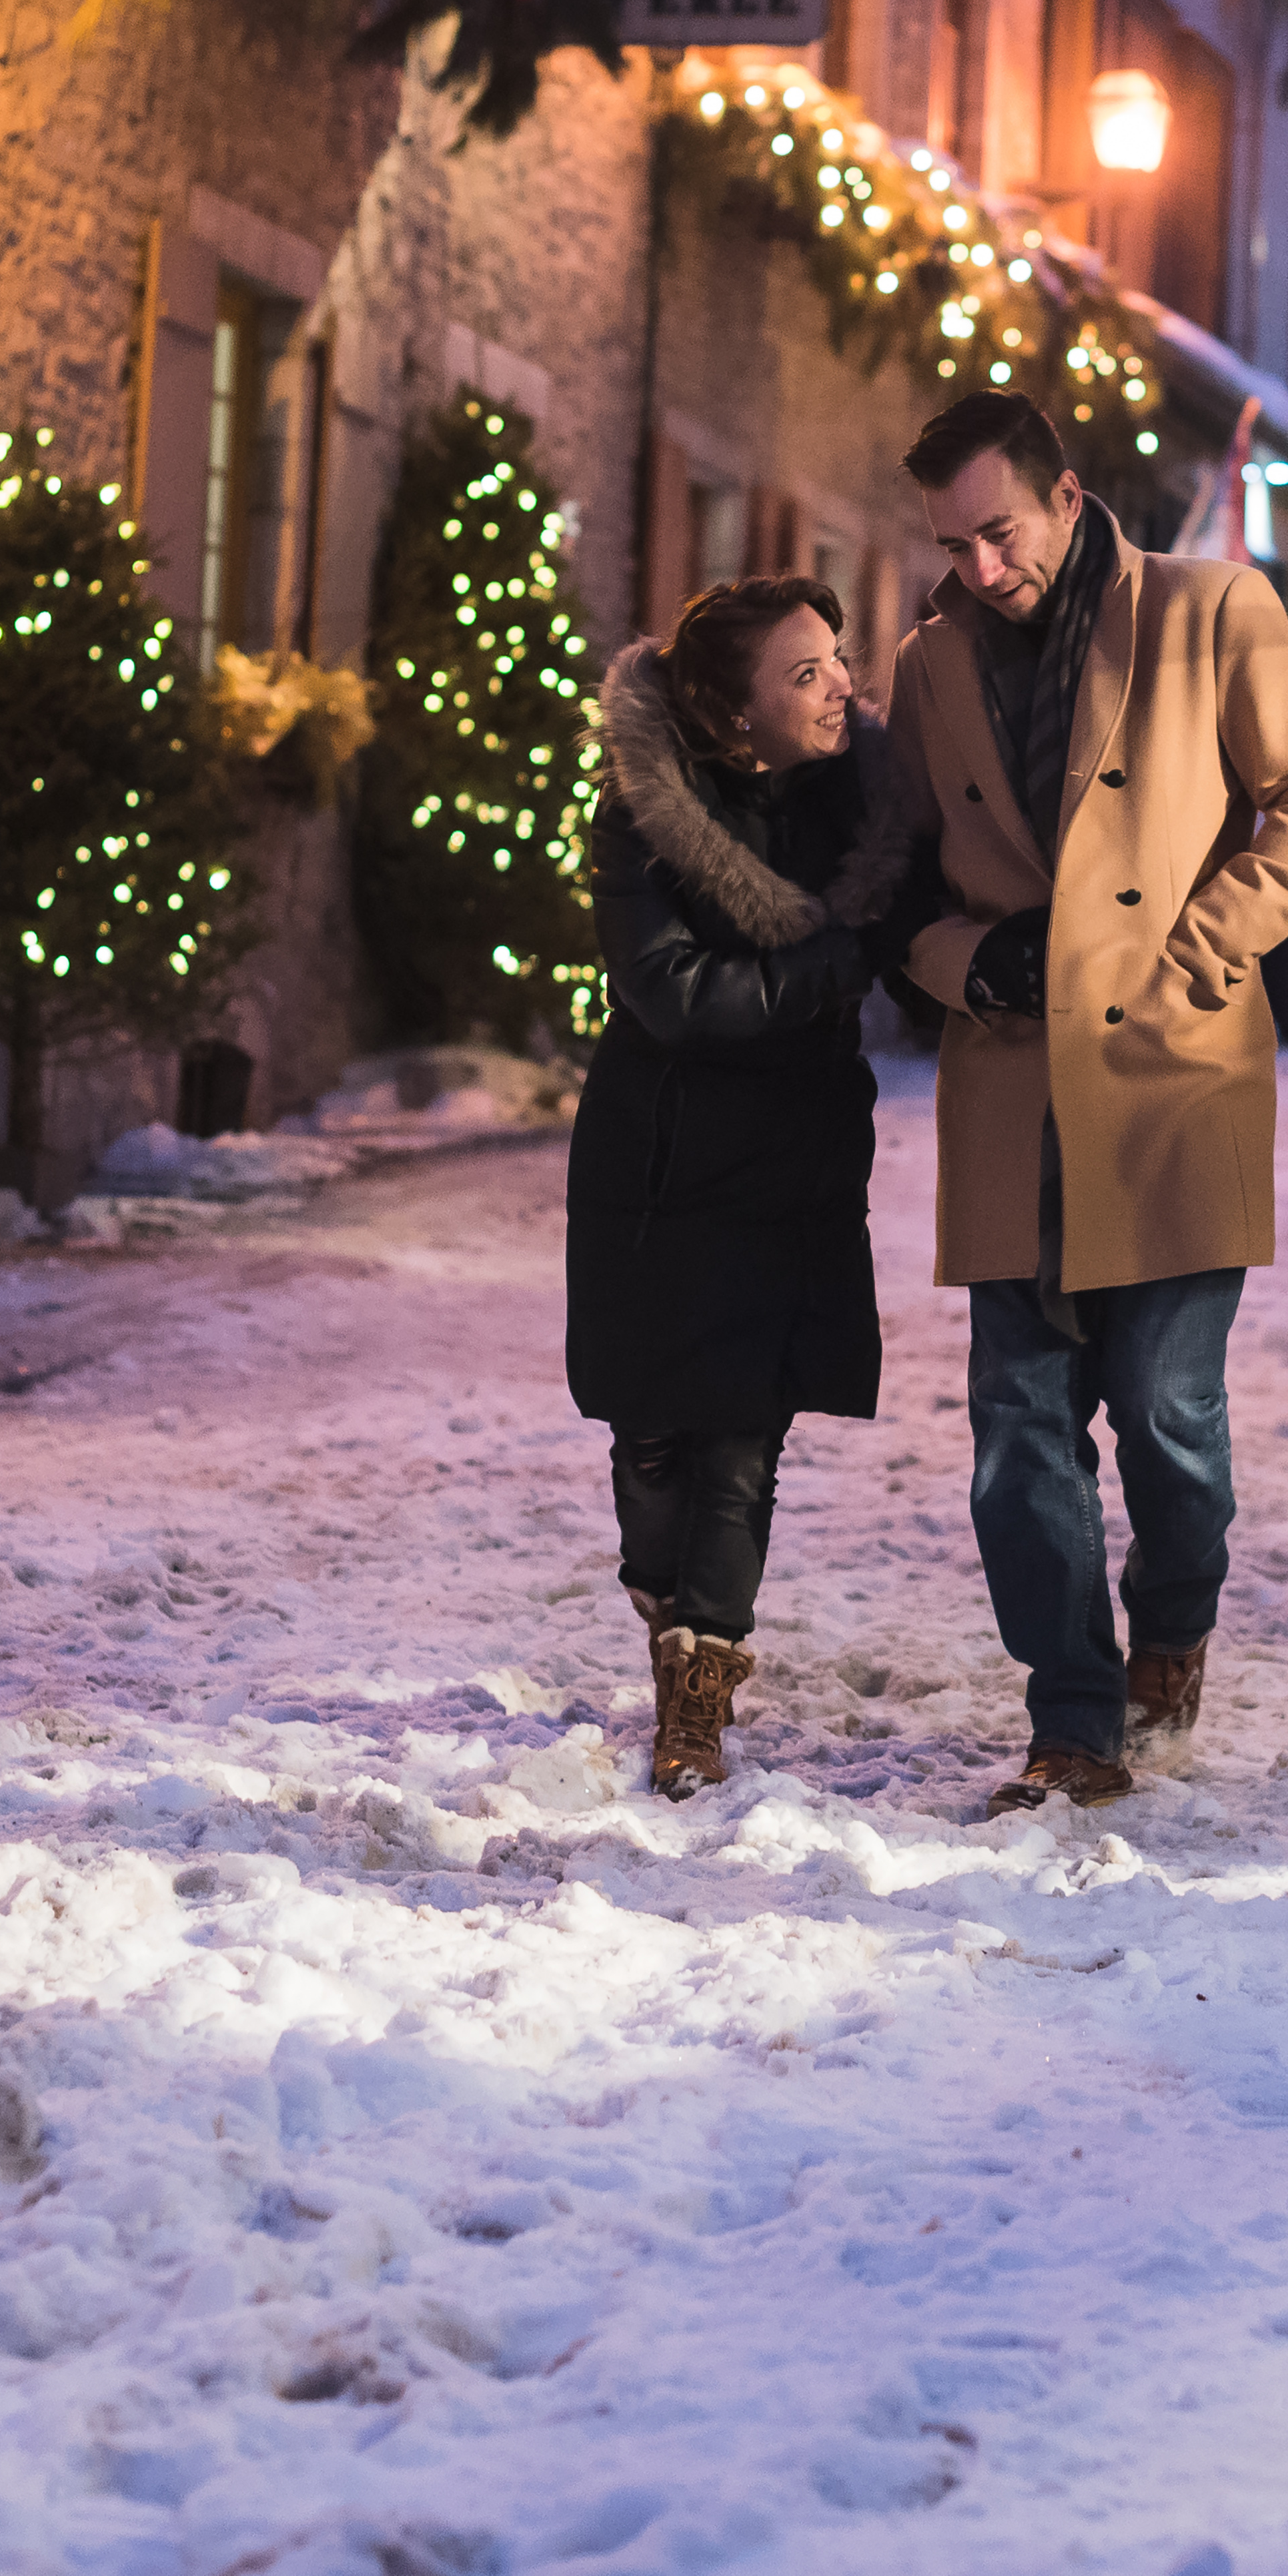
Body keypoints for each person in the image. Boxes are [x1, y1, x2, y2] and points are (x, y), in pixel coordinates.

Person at [886, 396, 1288, 1813]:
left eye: (1000, 529)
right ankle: (1072, 1721)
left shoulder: (1210, 612)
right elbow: (897, 883)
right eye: (952, 542)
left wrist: (1201, 947)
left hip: (1172, 1071)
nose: (980, 565)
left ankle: (1173, 1619)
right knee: (1016, 1433)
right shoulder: (930, 666)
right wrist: (959, 961)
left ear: (1066, 495)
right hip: (1011, 1086)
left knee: (1167, 1414)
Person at [564, 578, 918, 1799]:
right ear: (733, 710)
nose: (839, 687)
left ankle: (698, 1696)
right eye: (805, 672)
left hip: (794, 1161)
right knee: (655, 1437)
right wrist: (837, 961)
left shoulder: (865, 809)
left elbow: (913, 941)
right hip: (662, 1164)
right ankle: (666, 1601)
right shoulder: (643, 814)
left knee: (745, 1444)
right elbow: (672, 995)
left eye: (838, 663)